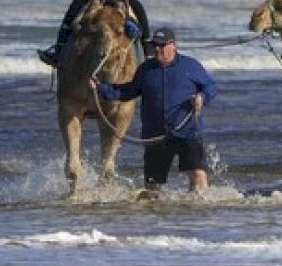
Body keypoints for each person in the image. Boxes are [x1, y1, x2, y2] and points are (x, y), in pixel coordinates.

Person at [91, 28, 218, 195]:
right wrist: (101, 87)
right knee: (152, 186)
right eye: (154, 46)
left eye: (161, 46)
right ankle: (157, 211)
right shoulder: (145, 69)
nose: (157, 49)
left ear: (173, 45)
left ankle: (199, 208)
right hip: (155, 135)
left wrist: (202, 97)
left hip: (187, 131)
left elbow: (211, 87)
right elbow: (127, 92)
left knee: (198, 173)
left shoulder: (190, 65)